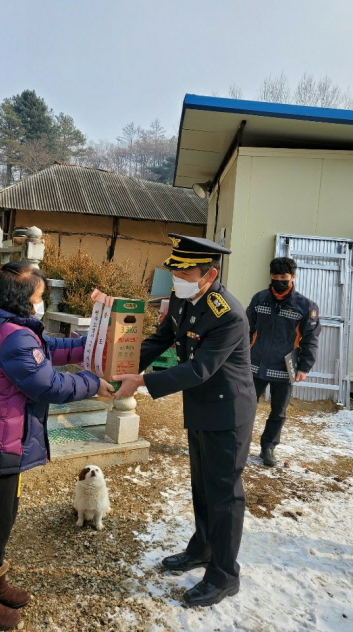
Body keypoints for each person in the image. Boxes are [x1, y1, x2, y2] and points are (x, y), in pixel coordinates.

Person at [0, 261, 113, 631]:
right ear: (22, 300)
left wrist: (91, 345)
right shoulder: (13, 336)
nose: (42, 303)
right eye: (40, 297)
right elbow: (49, 385)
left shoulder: (11, 328)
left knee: (2, 517)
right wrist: (93, 383)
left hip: (3, 442)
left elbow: (50, 347)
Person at [114, 234, 256, 608]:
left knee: (224, 494)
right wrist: (120, 365)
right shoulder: (181, 297)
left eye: (185, 273)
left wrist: (141, 381)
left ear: (209, 275)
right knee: (202, 486)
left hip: (228, 413)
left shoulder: (228, 314)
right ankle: (203, 548)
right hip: (201, 408)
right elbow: (161, 338)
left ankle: (225, 576)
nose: (177, 279)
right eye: (175, 272)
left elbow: (200, 369)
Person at [247, 257, 321, 466]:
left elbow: (310, 339)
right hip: (255, 364)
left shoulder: (305, 306)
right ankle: (238, 444)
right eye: (275, 276)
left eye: (284, 277)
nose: (279, 280)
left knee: (278, 412)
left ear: (293, 277)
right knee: (245, 406)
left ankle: (268, 447)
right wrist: (240, 356)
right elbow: (246, 329)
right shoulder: (259, 299)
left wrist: (304, 367)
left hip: (284, 367)